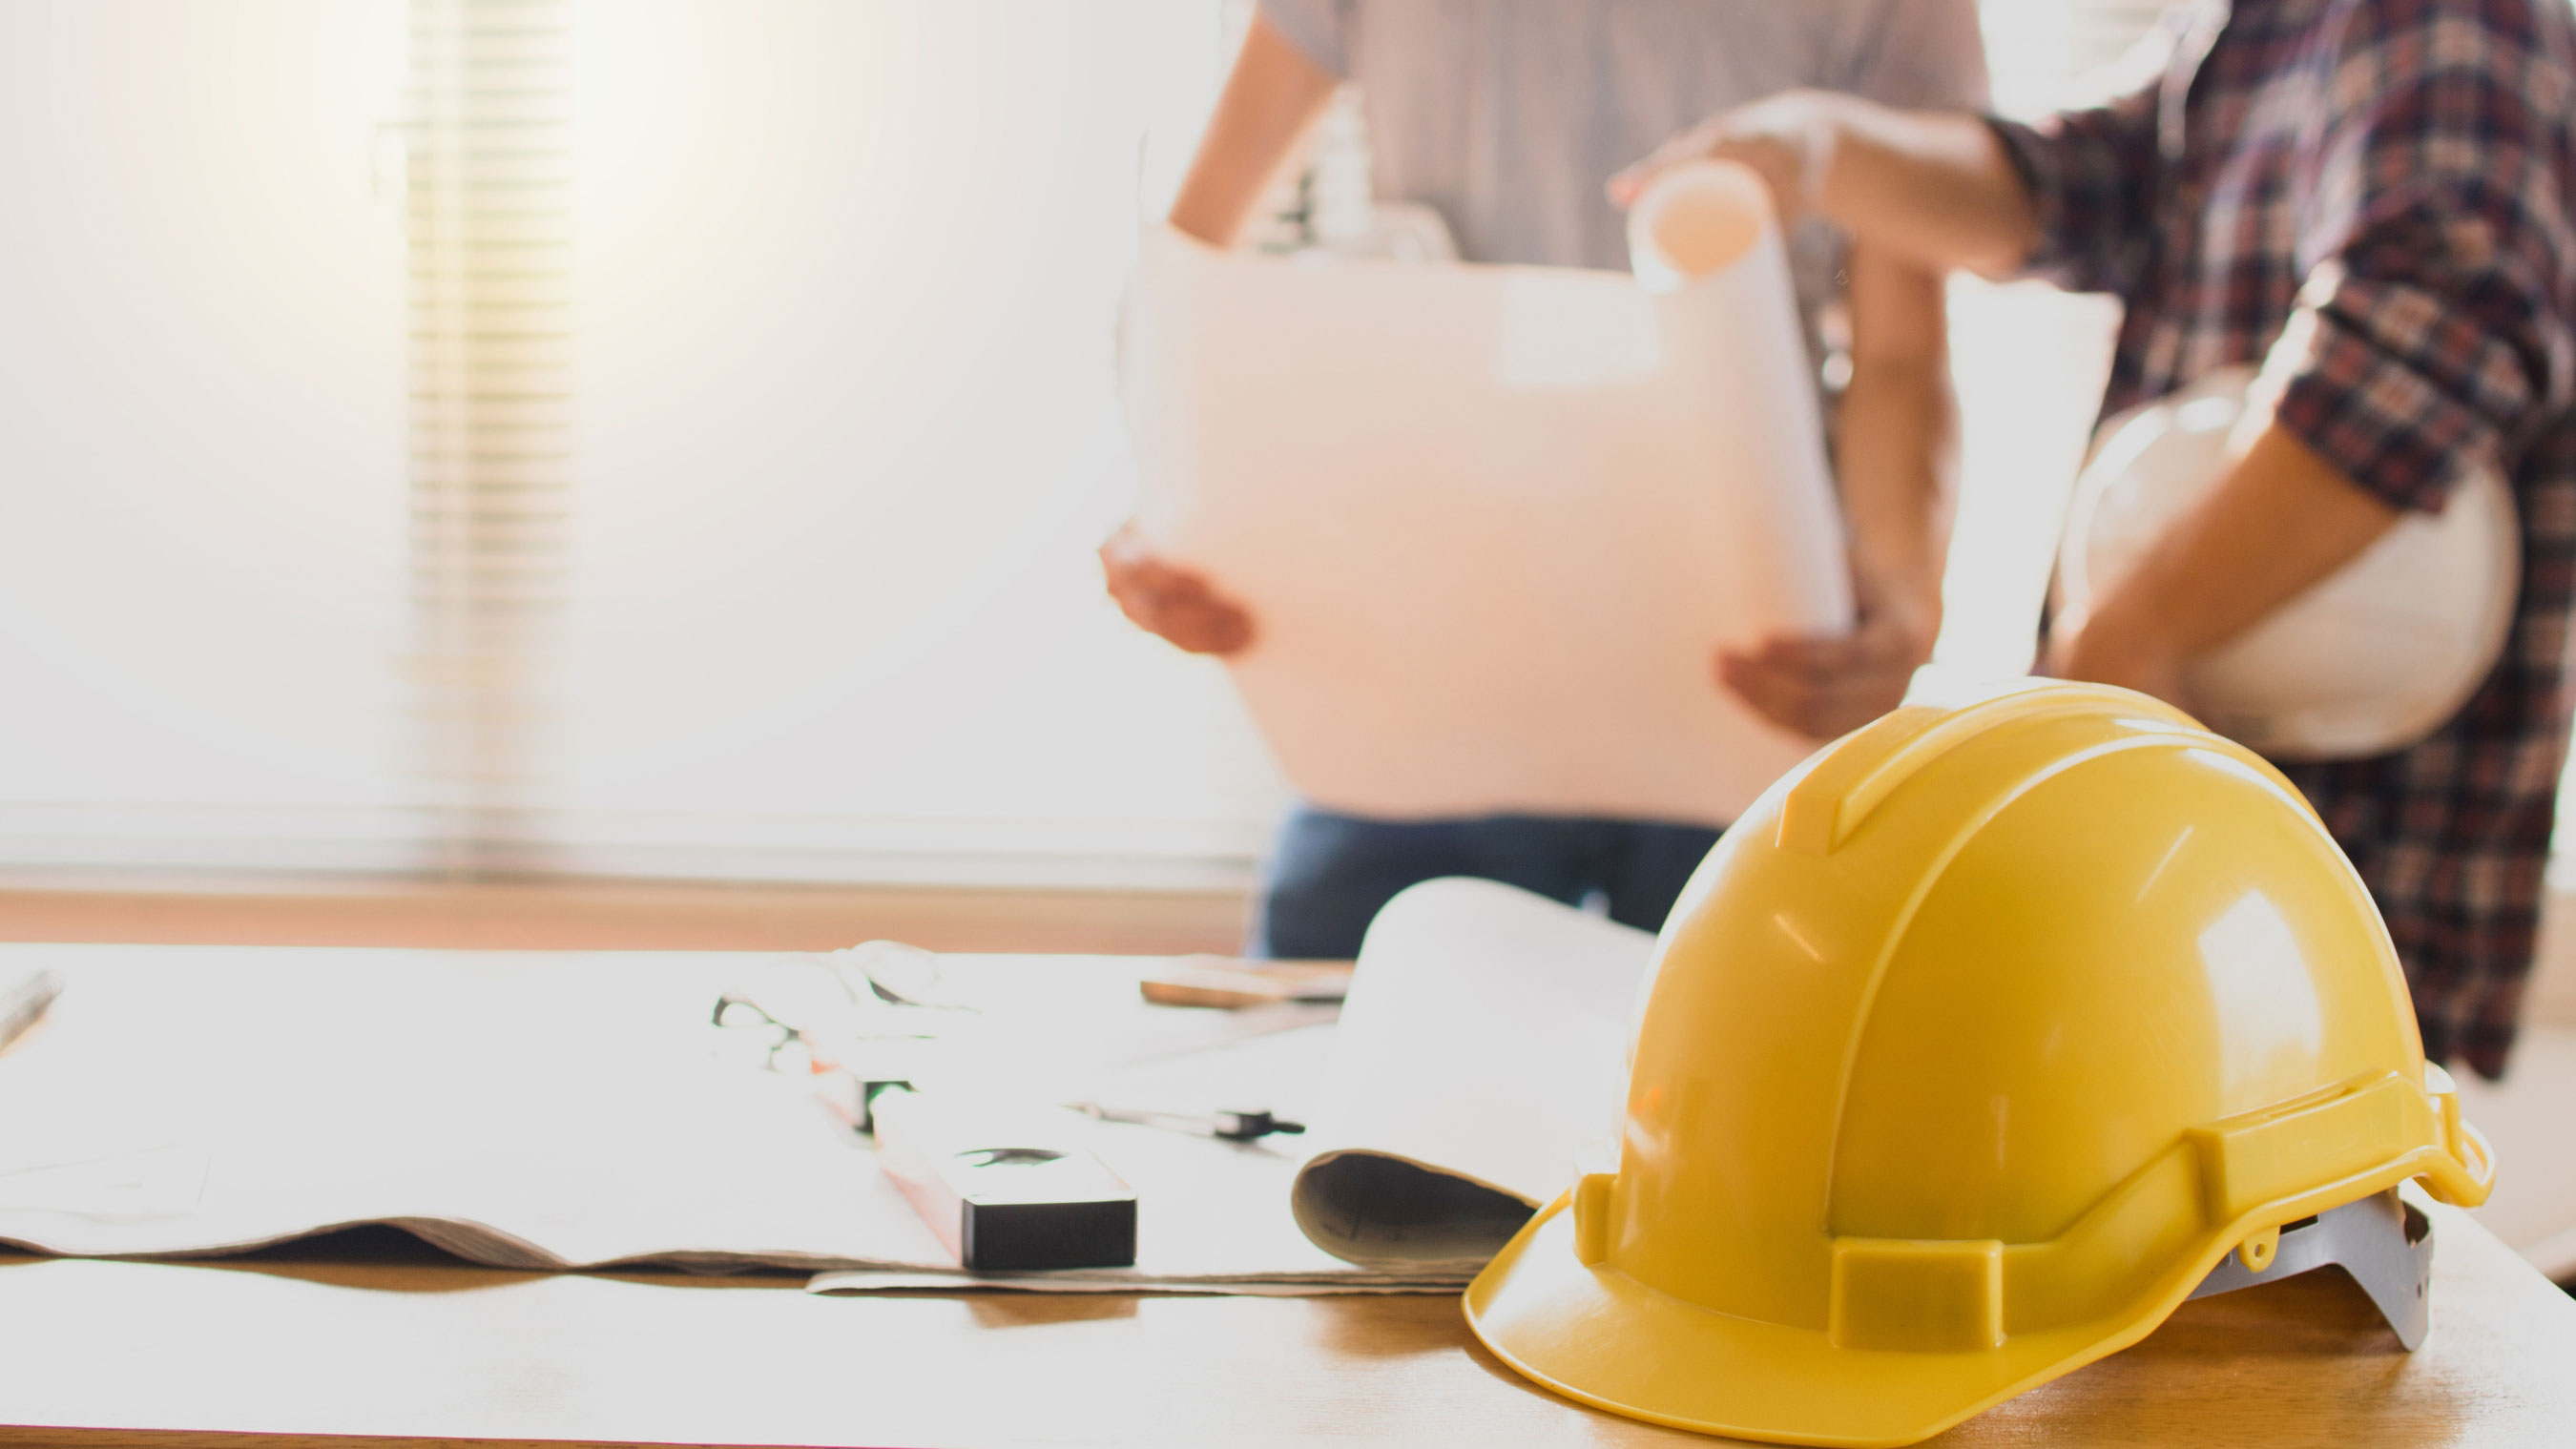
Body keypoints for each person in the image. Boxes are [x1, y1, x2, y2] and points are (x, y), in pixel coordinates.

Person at [1616, 0, 2576, 1077]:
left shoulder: (2442, 18)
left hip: (2320, 883)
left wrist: (2129, 641)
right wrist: (1819, 147)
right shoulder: (2255, 30)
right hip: (2213, 893)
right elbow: (2066, 184)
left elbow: (2432, 330)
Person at [1104, 0, 1990, 959]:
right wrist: (1179, 517)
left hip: (1745, 645)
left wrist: (1903, 592)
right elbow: (1193, 257)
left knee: (1753, 1076)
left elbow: (1900, 346)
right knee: (1325, 1049)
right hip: (1431, 646)